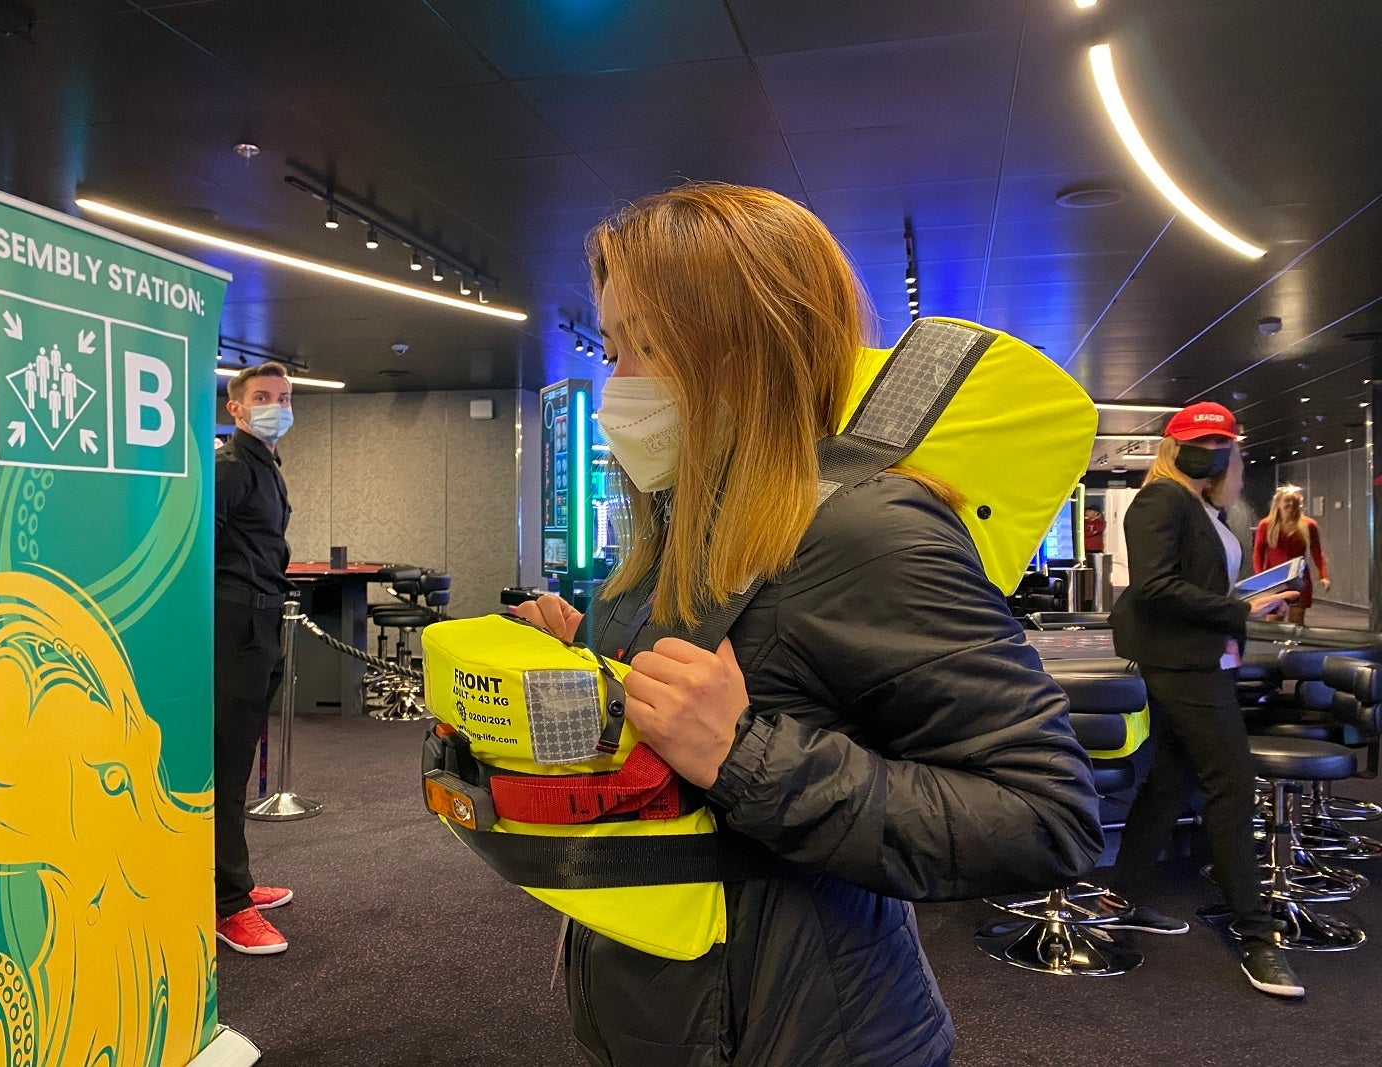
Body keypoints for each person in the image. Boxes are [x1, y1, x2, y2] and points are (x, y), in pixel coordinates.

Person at [514, 184, 1103, 1065]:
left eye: (649, 344)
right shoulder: (685, 530)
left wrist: (741, 754)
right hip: (675, 1013)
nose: (618, 383)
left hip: (807, 1035)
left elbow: (1046, 815)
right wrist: (583, 667)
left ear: (746, 350)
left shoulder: (866, 530)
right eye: (613, 344)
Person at [1102, 402, 1305, 997]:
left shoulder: (1201, 507)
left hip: (1202, 657)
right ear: (1175, 445)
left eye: (1222, 443)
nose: (1213, 452)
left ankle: (1122, 896)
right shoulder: (1162, 499)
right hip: (1183, 663)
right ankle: (1257, 937)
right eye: (1202, 441)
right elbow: (1156, 587)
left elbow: (1192, 583)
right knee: (1232, 786)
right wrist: (1238, 609)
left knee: (1171, 780)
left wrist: (1243, 602)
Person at [214, 362, 298, 955]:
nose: (277, 406)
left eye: (285, 398)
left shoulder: (265, 464)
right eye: (263, 397)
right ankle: (227, 904)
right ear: (236, 408)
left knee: (238, 763)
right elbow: (198, 546)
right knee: (224, 768)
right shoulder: (231, 466)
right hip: (233, 625)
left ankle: (233, 881)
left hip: (261, 621)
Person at [1253, 486, 1330, 626]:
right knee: (1273, 621)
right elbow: (1258, 553)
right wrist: (1261, 579)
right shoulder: (1266, 525)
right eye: (1287, 500)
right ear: (1278, 503)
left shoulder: (1309, 525)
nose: (1291, 504)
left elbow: (1317, 552)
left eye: (1295, 501)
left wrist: (1323, 575)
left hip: (1299, 578)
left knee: (1297, 620)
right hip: (1275, 579)